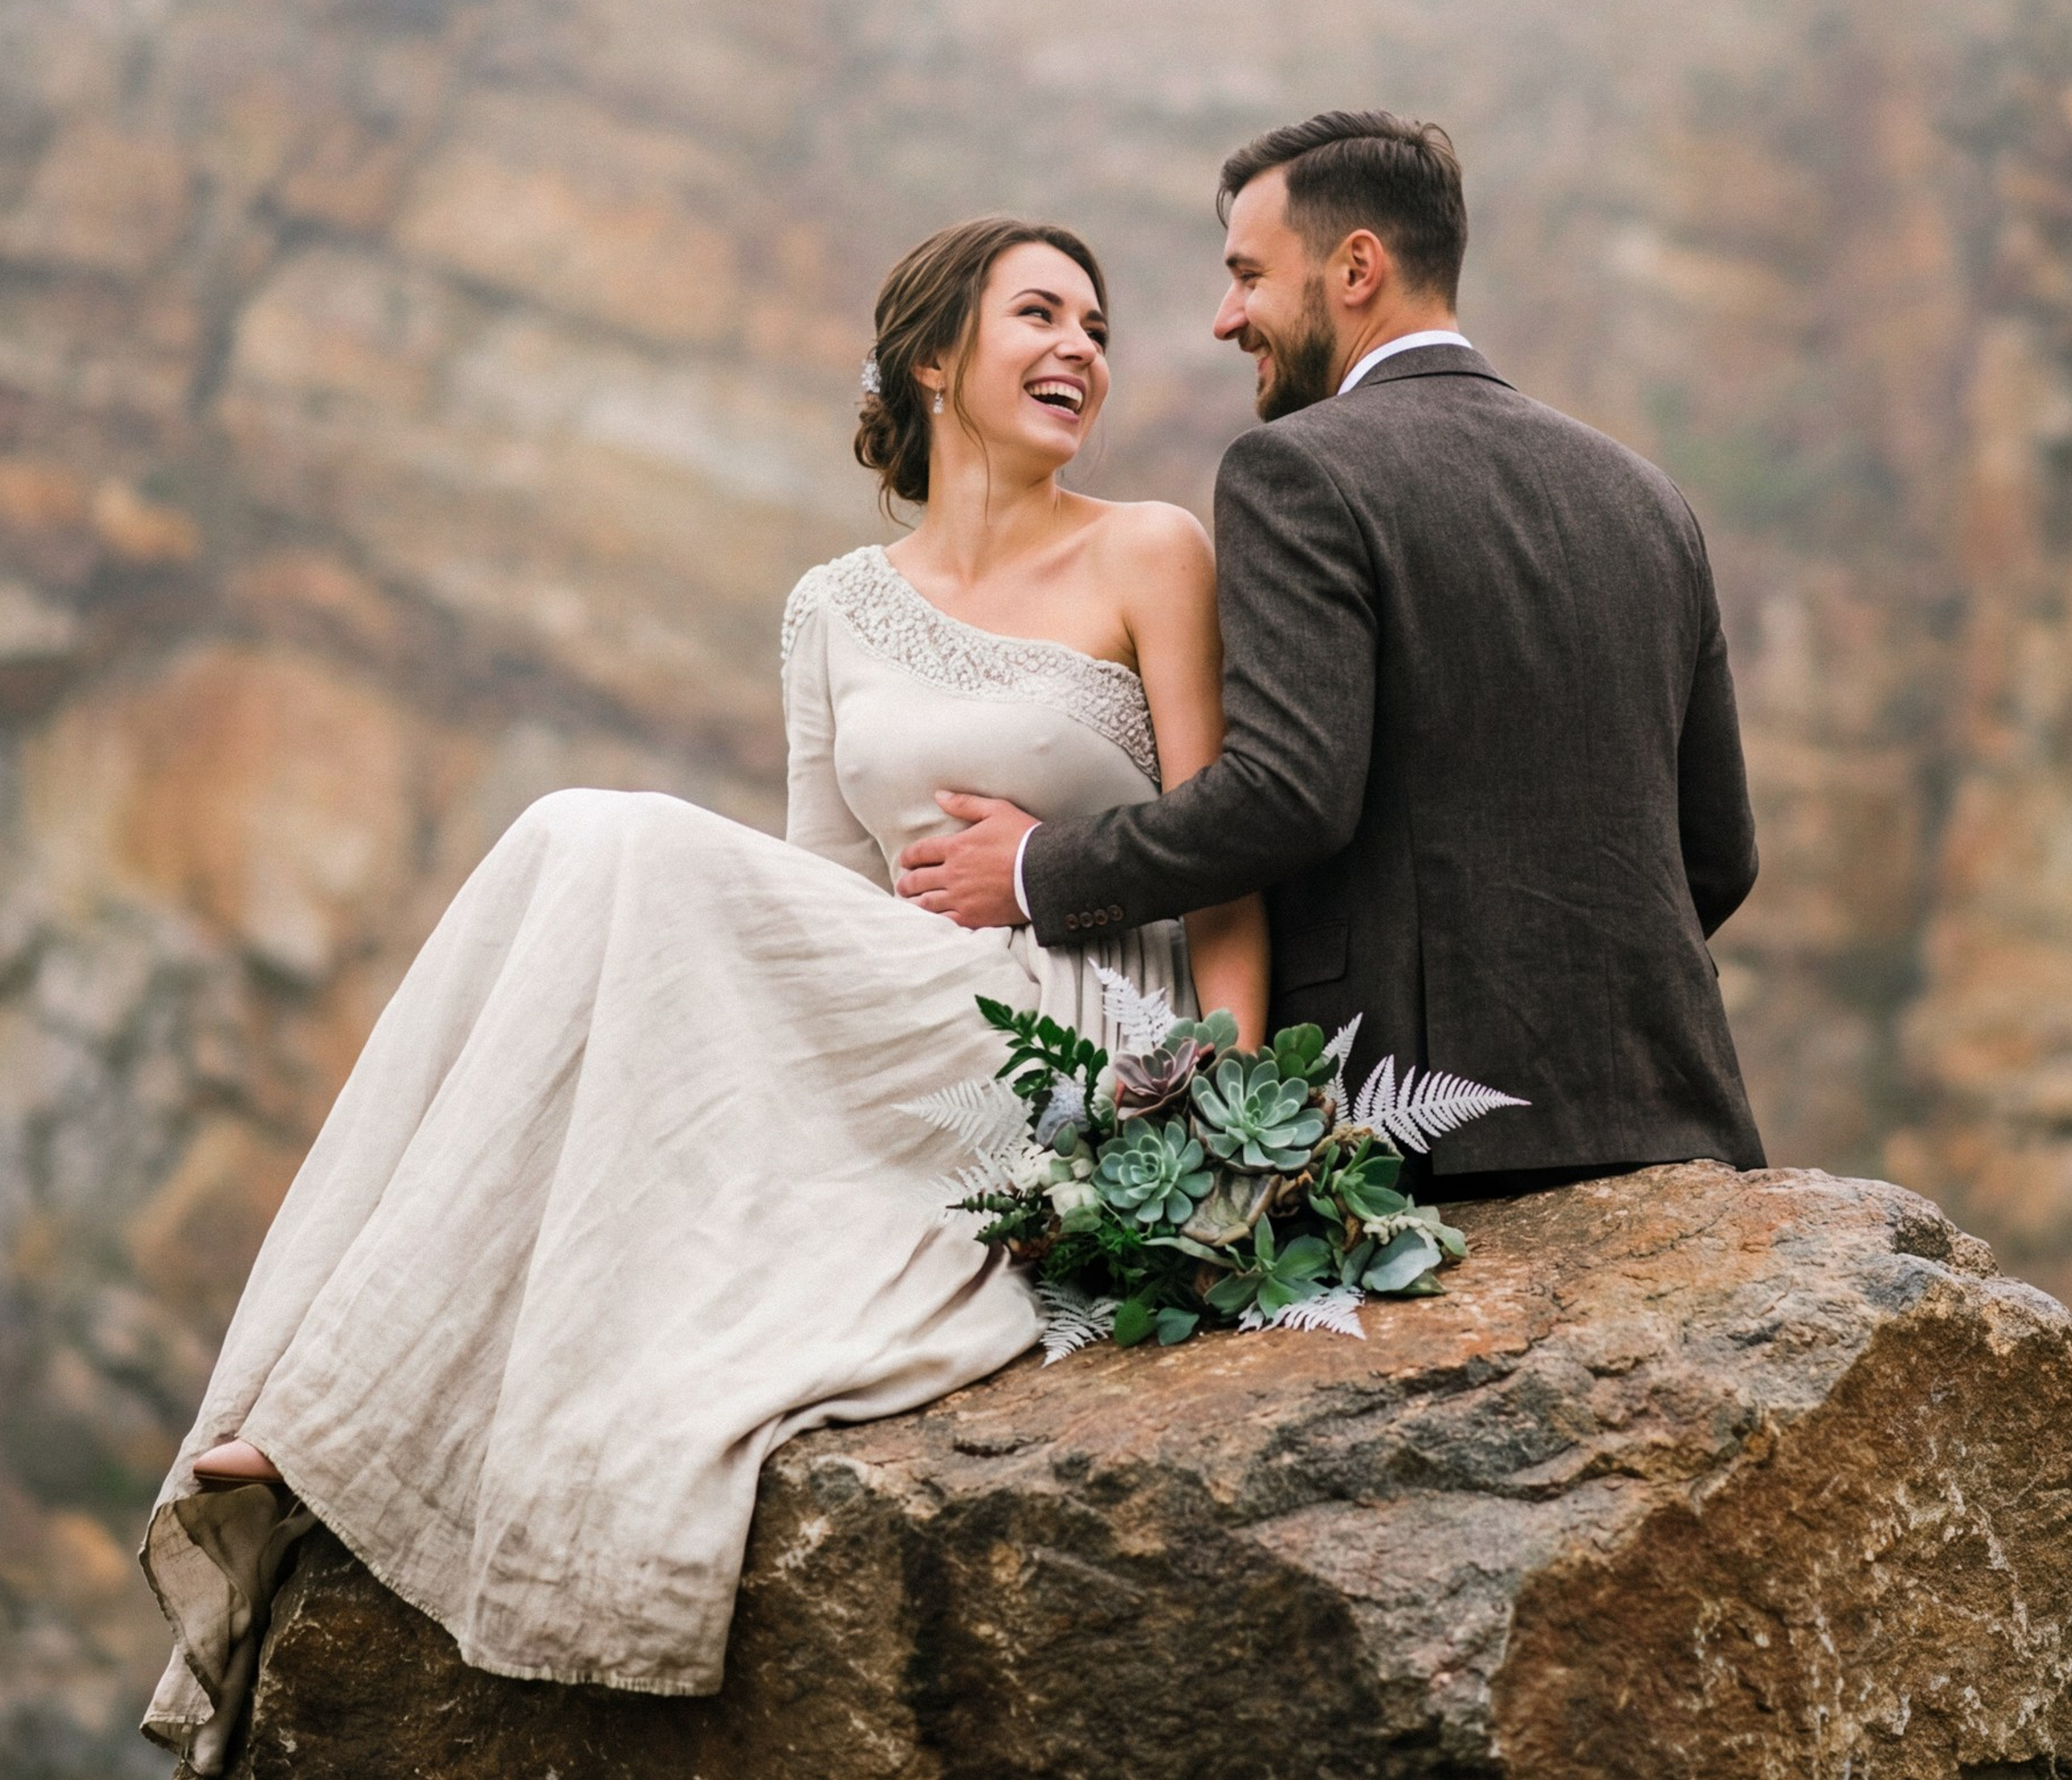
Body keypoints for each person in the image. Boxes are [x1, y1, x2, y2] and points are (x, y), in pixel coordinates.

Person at [141, 215, 1269, 1769]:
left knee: (609, 837)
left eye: (1094, 322)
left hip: (1076, 1018)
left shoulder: (1150, 549)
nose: (1080, 346)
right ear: (936, 359)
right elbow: (820, 891)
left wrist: (1234, 1114)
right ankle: (343, 1398)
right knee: (578, 856)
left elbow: (1226, 855)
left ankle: (346, 1401)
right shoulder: (828, 607)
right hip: (899, 1010)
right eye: (1037, 315)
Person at [898, 112, 1765, 1201]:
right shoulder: (1647, 499)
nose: (1227, 319)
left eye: (1248, 276)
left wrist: (1036, 869)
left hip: (1420, 1139)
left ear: (1357, 266)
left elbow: (1284, 796)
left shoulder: (1296, 472)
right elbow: (1719, 853)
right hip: (1674, 1120)